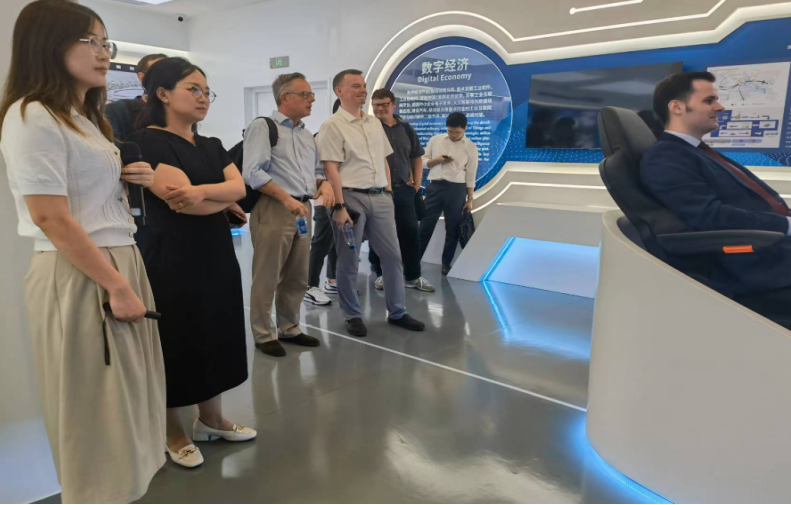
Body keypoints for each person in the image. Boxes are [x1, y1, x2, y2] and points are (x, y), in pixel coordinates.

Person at [0, 1, 166, 502]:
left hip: (115, 259)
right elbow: (50, 216)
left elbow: (79, 195)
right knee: (96, 409)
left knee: (125, 400)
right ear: (49, 45)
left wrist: (125, 176)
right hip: (83, 271)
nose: (103, 53)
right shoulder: (31, 114)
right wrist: (116, 285)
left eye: (104, 42)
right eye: (89, 41)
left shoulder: (81, 117)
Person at [130, 57, 255, 469]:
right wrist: (216, 197)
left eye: (206, 91)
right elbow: (181, 202)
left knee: (216, 331)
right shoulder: (148, 142)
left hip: (215, 252)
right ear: (163, 94)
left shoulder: (212, 144)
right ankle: (174, 431)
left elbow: (239, 187)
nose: (203, 98)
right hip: (172, 255)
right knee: (180, 338)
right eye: (193, 89)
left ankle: (211, 420)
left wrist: (202, 193)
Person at [642, 71, 791, 329]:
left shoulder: (695, 152)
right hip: (754, 264)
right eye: (709, 100)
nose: (720, 107)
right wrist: (786, 226)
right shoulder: (666, 156)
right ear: (677, 107)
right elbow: (710, 217)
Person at [317, 69, 425, 337]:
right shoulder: (333, 125)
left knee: (392, 256)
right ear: (339, 91)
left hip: (381, 197)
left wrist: (387, 191)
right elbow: (331, 168)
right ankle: (352, 314)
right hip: (350, 198)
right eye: (355, 86)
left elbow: (383, 159)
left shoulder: (374, 124)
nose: (362, 90)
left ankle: (397, 311)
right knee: (349, 258)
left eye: (363, 86)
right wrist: (339, 206)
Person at [243, 73, 335, 357]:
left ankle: (289, 327)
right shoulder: (263, 127)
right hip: (274, 208)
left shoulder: (307, 135)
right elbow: (253, 172)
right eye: (305, 94)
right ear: (285, 98)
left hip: (302, 210)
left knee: (297, 274)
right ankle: (263, 333)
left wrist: (323, 183)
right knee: (267, 275)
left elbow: (315, 172)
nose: (312, 99)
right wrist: (285, 198)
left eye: (311, 94)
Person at [368, 89, 435, 292]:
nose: (380, 108)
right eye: (376, 105)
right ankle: (380, 274)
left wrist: (416, 184)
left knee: (410, 233)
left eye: (384, 104)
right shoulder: (369, 128)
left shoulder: (406, 129)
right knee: (380, 234)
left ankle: (413, 276)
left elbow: (416, 157)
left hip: (404, 190)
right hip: (378, 191)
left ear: (393, 105)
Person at [419, 112, 479, 275]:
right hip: (435, 187)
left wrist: (470, 198)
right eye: (450, 131)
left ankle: (446, 263)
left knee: (452, 229)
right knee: (425, 226)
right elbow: (422, 162)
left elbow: (471, 175)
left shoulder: (471, 147)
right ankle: (413, 262)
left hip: (456, 190)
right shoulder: (435, 140)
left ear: (465, 129)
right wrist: (437, 160)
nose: (453, 135)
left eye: (457, 132)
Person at [306, 98, 343, 302]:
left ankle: (333, 280)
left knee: (338, 242)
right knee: (321, 242)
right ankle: (310, 285)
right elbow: (314, 170)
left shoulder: (348, 137)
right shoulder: (320, 136)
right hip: (325, 200)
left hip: (343, 198)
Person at [105, 52, 167, 141]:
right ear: (142, 78)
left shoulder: (181, 113)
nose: (167, 79)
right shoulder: (118, 111)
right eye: (159, 73)